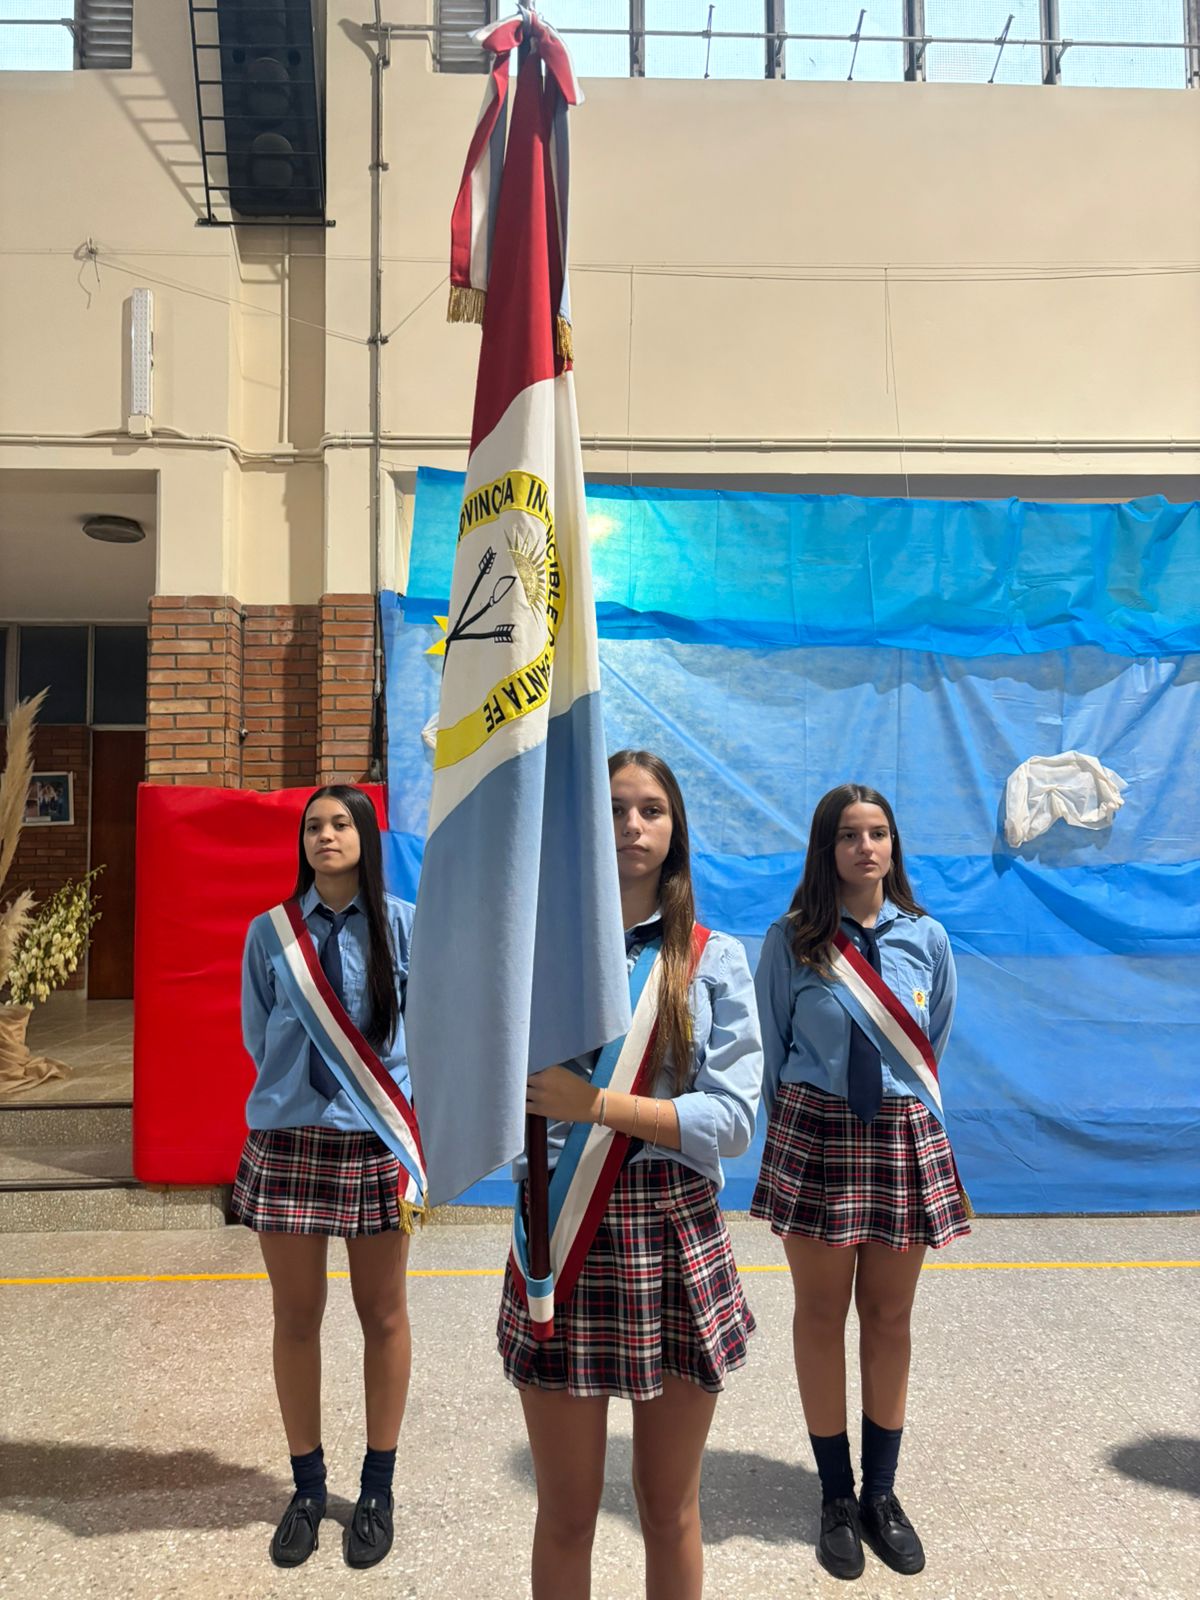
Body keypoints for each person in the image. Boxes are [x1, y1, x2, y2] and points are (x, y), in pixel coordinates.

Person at [498, 749, 763, 1600]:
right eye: (613, 808)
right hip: (563, 1227)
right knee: (567, 1514)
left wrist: (599, 1106)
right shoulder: (535, 955)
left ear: (675, 830)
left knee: (669, 1509)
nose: (632, 825)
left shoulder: (713, 960)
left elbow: (733, 1120)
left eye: (651, 810)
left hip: (673, 1232)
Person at [751, 783, 970, 1582]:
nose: (866, 847)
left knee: (888, 1316)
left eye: (878, 833)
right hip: (816, 1135)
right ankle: (835, 1495)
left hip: (902, 1136)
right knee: (820, 1314)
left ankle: (881, 1493)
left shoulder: (928, 938)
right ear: (827, 848)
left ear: (893, 846)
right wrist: (791, 1139)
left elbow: (932, 1038)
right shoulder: (791, 941)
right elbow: (772, 1047)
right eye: (849, 834)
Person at [231, 784, 423, 1571]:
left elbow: (425, 1032)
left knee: (383, 1313)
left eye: (341, 823)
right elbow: (258, 1035)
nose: (325, 836)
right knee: (296, 1315)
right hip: (288, 1143)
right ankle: (308, 1487)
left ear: (365, 836)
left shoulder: (405, 925)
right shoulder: (269, 933)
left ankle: (376, 1488)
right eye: (313, 826)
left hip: (374, 1142)